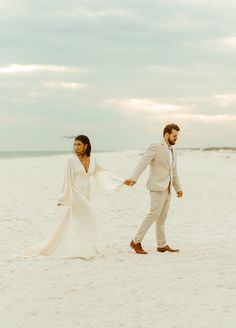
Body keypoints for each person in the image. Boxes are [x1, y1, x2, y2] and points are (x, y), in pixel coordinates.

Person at [23, 135, 123, 260]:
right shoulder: (70, 160)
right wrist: (63, 197)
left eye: (79, 144)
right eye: (75, 144)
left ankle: (83, 246)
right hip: (75, 193)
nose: (76, 147)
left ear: (86, 145)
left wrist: (122, 181)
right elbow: (67, 179)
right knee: (89, 216)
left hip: (86, 193)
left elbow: (103, 172)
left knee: (79, 221)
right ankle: (84, 248)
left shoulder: (93, 159)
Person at [124, 124, 183, 254]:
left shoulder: (174, 150)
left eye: (177, 136)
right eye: (174, 135)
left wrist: (178, 188)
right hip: (156, 187)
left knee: (162, 218)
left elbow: (174, 170)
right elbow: (143, 162)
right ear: (166, 134)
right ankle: (135, 242)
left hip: (167, 188)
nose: (176, 138)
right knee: (153, 215)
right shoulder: (156, 146)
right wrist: (134, 178)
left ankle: (161, 245)